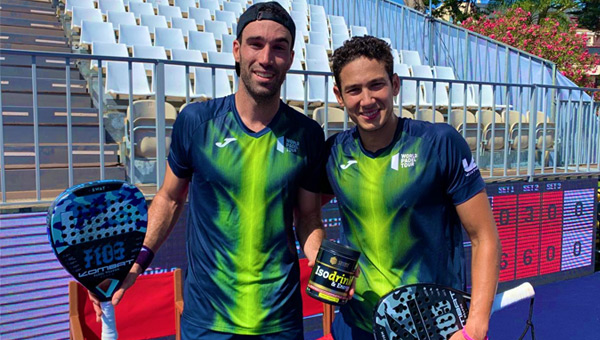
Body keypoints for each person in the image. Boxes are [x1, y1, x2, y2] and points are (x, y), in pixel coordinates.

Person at [89, 2, 326, 339]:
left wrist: (322, 263)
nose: (265, 57)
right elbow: (170, 199)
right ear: (237, 50)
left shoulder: (307, 134)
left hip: (279, 320)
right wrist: (135, 261)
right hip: (207, 321)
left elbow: (308, 217)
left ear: (289, 58)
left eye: (278, 47)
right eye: (255, 44)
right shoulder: (196, 121)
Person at [321, 36, 501, 340]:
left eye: (376, 85)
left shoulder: (439, 143)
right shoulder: (334, 153)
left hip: (432, 328)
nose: (366, 100)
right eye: (354, 90)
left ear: (395, 84)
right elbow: (307, 212)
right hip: (356, 327)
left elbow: (484, 236)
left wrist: (476, 326)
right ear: (339, 96)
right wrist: (318, 252)